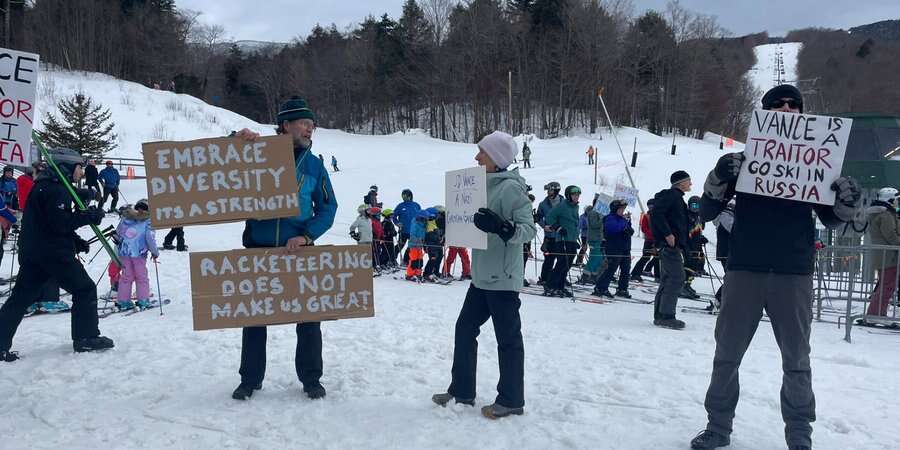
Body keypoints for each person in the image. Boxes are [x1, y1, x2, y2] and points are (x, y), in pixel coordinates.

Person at [690, 84, 862, 450]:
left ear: (802, 113)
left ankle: (800, 435)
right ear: (764, 113)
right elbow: (706, 212)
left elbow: (833, 220)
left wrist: (848, 201)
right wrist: (718, 178)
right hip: (745, 269)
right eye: (777, 104)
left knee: (797, 360)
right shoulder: (743, 162)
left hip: (793, 272)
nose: (786, 109)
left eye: (793, 105)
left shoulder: (817, 162)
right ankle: (718, 427)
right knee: (727, 355)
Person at [230, 96, 337, 401]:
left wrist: (307, 235)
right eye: (304, 123)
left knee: (308, 318)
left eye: (312, 125)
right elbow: (215, 168)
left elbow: (328, 207)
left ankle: (311, 378)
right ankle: (249, 379)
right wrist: (235, 140)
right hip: (259, 249)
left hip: (297, 251)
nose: (310, 130)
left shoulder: (315, 166)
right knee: (253, 317)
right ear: (286, 125)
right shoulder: (254, 152)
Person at [432, 130, 536, 419]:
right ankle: (462, 390)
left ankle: (512, 399)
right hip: (480, 276)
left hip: (502, 278)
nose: (477, 157)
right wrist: (451, 221)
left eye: (483, 153)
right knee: (465, 329)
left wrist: (503, 227)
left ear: (498, 159)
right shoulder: (477, 184)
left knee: (508, 339)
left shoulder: (511, 188)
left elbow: (528, 229)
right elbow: (470, 223)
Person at [0, 148, 111, 362]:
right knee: (84, 288)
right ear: (68, 168)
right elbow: (59, 223)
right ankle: (86, 337)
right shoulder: (55, 190)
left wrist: (75, 241)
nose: (81, 172)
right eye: (79, 168)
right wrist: (88, 217)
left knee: (21, 297)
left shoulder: (45, 186)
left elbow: (49, 223)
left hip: (35, 252)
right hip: (52, 254)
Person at [649, 170, 692, 330]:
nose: (690, 184)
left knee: (668, 278)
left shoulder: (677, 198)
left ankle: (660, 314)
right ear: (680, 183)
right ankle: (667, 316)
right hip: (669, 246)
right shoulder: (672, 196)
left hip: (670, 245)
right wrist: (668, 234)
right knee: (676, 278)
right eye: (688, 181)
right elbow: (657, 214)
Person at [862, 187, 900, 319]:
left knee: (885, 285)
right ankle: (876, 314)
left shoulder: (881, 214)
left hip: (884, 255)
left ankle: (877, 313)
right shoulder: (886, 215)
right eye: (896, 200)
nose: (897, 203)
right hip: (888, 256)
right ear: (889, 199)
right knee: (887, 286)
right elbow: (891, 236)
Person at [114, 199, 159, 311]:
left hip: (124, 252)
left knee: (126, 276)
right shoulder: (148, 221)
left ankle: (123, 301)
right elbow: (150, 238)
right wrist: (154, 252)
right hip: (139, 253)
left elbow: (117, 234)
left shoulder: (126, 218)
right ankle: (143, 300)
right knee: (141, 276)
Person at [544, 185, 581, 297]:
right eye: (574, 194)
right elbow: (549, 217)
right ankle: (550, 286)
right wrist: (558, 228)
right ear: (568, 195)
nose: (576, 197)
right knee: (561, 264)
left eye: (578, 195)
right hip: (563, 239)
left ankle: (560, 286)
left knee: (567, 265)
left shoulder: (575, 207)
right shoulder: (562, 205)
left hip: (572, 239)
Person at [592, 200, 634, 298]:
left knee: (626, 269)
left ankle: (622, 289)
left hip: (625, 247)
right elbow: (613, 228)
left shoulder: (623, 219)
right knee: (611, 269)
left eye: (623, 209)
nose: (622, 211)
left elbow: (629, 229)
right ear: (615, 209)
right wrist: (625, 226)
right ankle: (601, 287)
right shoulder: (610, 218)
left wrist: (628, 222)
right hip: (614, 247)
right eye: (620, 209)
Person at [535, 182, 562, 285]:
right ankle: (544, 278)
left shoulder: (563, 202)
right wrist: (544, 226)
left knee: (562, 259)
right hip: (550, 236)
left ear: (555, 191)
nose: (548, 192)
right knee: (549, 259)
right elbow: (538, 217)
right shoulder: (543, 204)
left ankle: (558, 277)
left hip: (561, 235)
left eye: (550, 190)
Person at [681, 195, 707, 300]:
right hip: (688, 245)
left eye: (697, 205)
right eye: (693, 205)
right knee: (688, 265)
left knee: (694, 266)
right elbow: (687, 232)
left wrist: (701, 238)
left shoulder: (700, 217)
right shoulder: (687, 216)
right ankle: (682, 286)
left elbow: (698, 230)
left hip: (696, 245)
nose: (695, 208)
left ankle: (688, 285)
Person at [710, 201, 735, 310]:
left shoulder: (726, 216)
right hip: (728, 252)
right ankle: (719, 300)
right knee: (732, 278)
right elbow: (735, 231)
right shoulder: (726, 217)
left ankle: (722, 300)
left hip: (727, 252)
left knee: (732, 277)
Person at [631, 200, 659, 282]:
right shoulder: (647, 216)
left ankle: (658, 276)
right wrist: (652, 234)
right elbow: (644, 228)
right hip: (649, 241)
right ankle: (635, 274)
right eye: (649, 207)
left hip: (657, 241)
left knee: (658, 258)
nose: (651, 208)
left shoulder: (660, 216)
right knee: (645, 257)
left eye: (652, 206)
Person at [580, 197, 605, 285]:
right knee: (595, 257)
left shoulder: (600, 213)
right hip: (594, 239)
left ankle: (594, 275)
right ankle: (585, 275)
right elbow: (594, 224)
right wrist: (603, 219)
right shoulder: (593, 213)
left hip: (599, 238)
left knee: (599, 258)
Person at [393, 189, 421, 265]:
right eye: (402, 195)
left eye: (405, 195)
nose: (403, 197)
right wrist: (397, 223)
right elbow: (394, 216)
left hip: (413, 231)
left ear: (410, 196)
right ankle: (392, 259)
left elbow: (420, 216)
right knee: (400, 246)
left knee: (411, 247)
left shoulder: (416, 205)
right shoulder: (400, 206)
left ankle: (406, 261)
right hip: (403, 230)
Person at [406, 210, 428, 281]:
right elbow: (412, 235)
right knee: (413, 260)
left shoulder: (423, 225)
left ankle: (418, 273)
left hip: (420, 246)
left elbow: (423, 234)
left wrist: (423, 242)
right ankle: (410, 275)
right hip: (413, 245)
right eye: (424, 218)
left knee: (420, 260)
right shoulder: (415, 224)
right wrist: (419, 240)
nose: (425, 220)